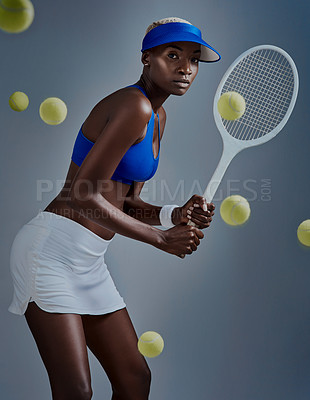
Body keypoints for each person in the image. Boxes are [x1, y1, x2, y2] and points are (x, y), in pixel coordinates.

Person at [8, 17, 220, 400]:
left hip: (89, 262)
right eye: (172, 55)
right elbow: (82, 194)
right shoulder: (133, 105)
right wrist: (161, 238)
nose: (185, 67)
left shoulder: (158, 117)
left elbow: (126, 202)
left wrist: (176, 214)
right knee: (75, 390)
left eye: (193, 60)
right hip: (50, 253)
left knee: (135, 380)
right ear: (146, 58)